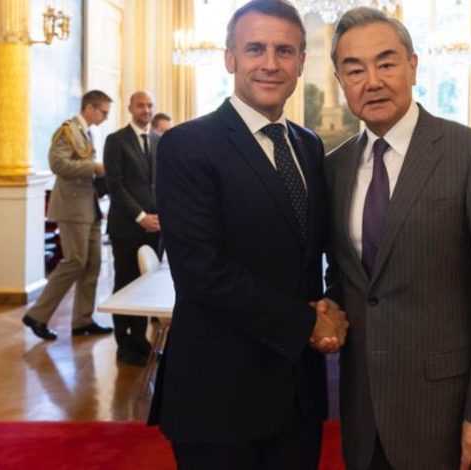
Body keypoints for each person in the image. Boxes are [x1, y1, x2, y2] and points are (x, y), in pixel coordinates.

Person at [148, 1, 347, 468]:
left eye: (285, 51)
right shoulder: (187, 145)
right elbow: (200, 272)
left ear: (301, 62)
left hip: (298, 393)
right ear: (230, 58)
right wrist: (307, 324)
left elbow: (323, 250)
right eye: (255, 48)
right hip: (219, 392)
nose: (270, 63)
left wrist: (334, 305)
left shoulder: (308, 144)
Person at [323, 7, 471, 470]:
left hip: (445, 411)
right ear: (341, 81)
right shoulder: (335, 167)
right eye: (355, 70)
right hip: (363, 408)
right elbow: (347, 278)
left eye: (386, 63)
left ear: (412, 66)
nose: (373, 81)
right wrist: (327, 310)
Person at [22, 90, 114, 341]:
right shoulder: (67, 131)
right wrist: (94, 167)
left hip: (89, 206)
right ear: (89, 108)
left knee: (92, 264)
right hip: (73, 207)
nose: (106, 118)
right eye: (103, 112)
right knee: (75, 262)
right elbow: (58, 164)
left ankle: (82, 320)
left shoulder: (85, 132)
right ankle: (37, 315)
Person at [103, 91, 162, 367]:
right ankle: (124, 344)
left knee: (146, 285)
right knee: (126, 284)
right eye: (141, 105)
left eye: (150, 105)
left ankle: (141, 340)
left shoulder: (159, 140)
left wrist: (161, 216)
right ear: (130, 108)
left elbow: (161, 183)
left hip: (156, 226)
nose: (146, 110)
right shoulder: (116, 140)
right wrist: (140, 217)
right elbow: (115, 186)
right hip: (127, 226)